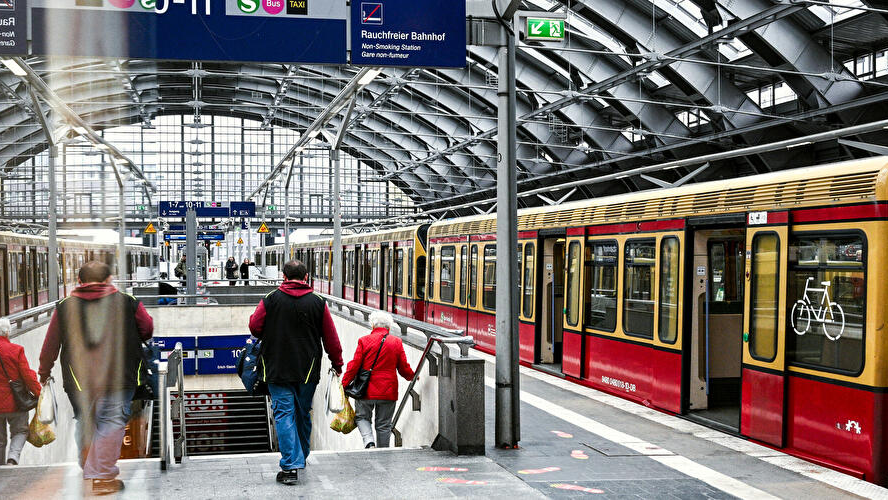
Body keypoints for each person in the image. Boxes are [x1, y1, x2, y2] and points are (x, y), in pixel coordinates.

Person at [38, 261, 153, 495]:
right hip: (119, 375)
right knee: (111, 422)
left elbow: (51, 343)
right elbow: (147, 329)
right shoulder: (127, 301)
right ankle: (101, 476)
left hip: (79, 380)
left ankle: (89, 466)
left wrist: (44, 371)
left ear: (79, 281)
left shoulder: (65, 306)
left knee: (85, 420)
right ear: (109, 279)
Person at [249, 260, 342, 485]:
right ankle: (301, 456)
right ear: (307, 276)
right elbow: (331, 338)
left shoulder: (271, 299)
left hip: (277, 366)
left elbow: (254, 326)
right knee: (302, 413)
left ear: (283, 276)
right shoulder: (318, 302)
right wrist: (337, 362)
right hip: (308, 370)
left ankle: (291, 465)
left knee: (283, 414)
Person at [341, 311, 414, 449]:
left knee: (362, 417)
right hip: (388, 391)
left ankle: (369, 442)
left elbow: (354, 365)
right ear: (389, 327)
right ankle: (383, 451)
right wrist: (412, 376)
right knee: (384, 425)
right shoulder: (396, 342)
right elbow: (403, 367)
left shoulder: (364, 341)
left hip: (366, 390)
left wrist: (344, 383)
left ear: (373, 325)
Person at [0, 317, 40, 466]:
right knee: (20, 431)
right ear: (8, 332)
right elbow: (27, 376)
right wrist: (38, 393)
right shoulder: (16, 350)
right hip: (15, 403)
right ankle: (12, 458)